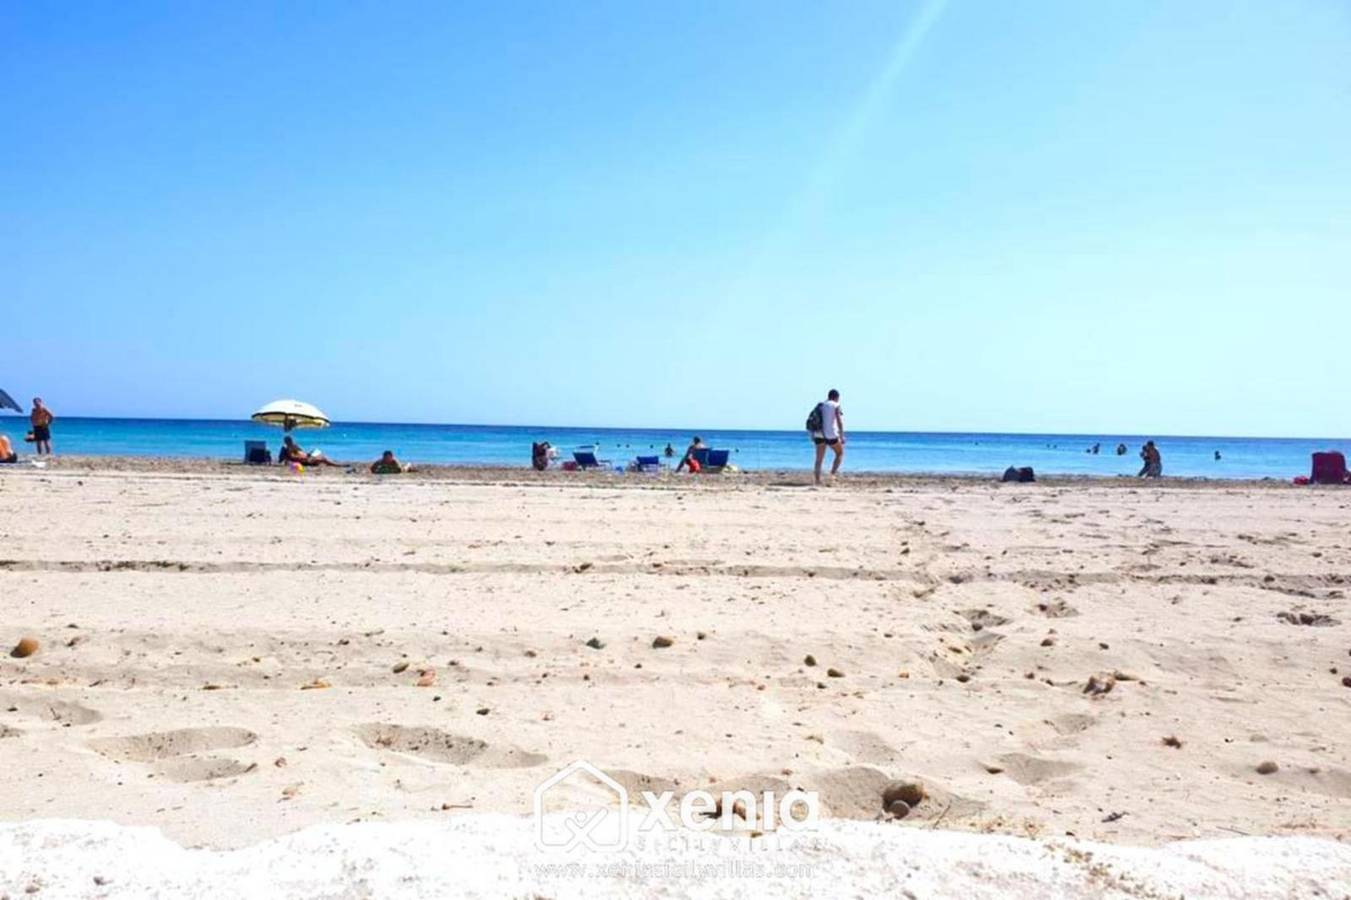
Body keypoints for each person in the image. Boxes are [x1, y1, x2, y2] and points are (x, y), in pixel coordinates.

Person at [809, 389, 845, 485]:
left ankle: (817, 481)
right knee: (840, 453)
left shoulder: (821, 405)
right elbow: (839, 421)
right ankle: (832, 475)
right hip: (831, 434)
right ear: (836, 397)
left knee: (819, 459)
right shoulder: (835, 405)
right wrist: (842, 435)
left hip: (819, 434)